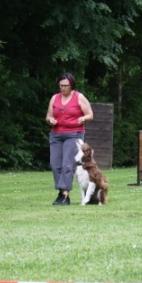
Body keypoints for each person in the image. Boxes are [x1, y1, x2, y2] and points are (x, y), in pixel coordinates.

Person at [45, 73, 93, 205]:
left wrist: (83, 118)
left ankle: (64, 195)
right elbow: (48, 117)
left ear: (71, 85)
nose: (63, 88)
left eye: (66, 85)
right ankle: (62, 192)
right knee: (55, 164)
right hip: (56, 134)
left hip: (74, 134)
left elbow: (90, 114)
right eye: (61, 85)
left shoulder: (79, 97)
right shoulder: (54, 98)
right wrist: (51, 120)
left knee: (67, 164)